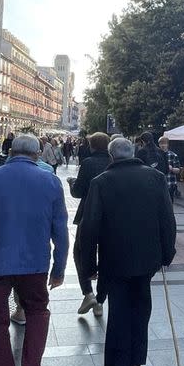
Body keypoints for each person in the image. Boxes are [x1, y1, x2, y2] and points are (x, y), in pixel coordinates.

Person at [0, 134, 69, 366]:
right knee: (38, 313)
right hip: (35, 264)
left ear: (10, 152)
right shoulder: (51, 182)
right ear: (38, 154)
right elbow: (60, 231)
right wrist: (59, 269)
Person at [79, 137, 176, 366]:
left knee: (119, 315)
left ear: (112, 157)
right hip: (147, 261)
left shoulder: (101, 182)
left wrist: (89, 266)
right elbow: (167, 219)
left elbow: (89, 227)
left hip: (115, 261)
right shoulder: (155, 178)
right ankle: (136, 365)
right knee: (141, 312)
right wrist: (167, 254)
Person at [70, 132, 111, 317]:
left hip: (88, 213)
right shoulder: (113, 161)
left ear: (92, 146)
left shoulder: (88, 163)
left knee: (80, 251)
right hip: (111, 216)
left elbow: (78, 192)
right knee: (105, 255)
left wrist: (72, 183)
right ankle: (101, 300)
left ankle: (88, 293)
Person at [158, 136, 181, 201]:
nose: (163, 145)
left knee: (169, 204)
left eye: (164, 143)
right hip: (158, 184)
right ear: (159, 144)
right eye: (161, 143)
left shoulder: (173, 155)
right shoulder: (156, 155)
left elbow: (178, 170)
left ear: (167, 144)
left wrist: (172, 169)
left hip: (170, 184)